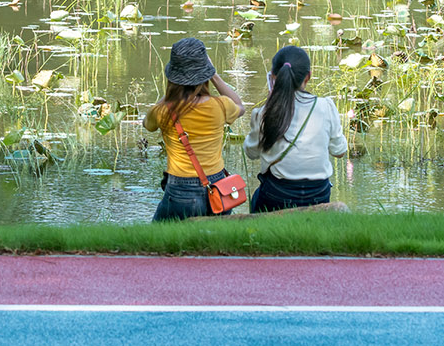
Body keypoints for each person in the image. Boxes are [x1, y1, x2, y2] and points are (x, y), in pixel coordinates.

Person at [143, 37, 246, 221]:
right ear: (205, 75)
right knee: (213, 241)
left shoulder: (163, 111)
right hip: (217, 187)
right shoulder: (220, 106)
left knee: (160, 240)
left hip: (179, 189)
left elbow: (147, 124)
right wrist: (214, 75)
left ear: (173, 77)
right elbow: (240, 106)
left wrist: (170, 93)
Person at [244, 45, 350, 213]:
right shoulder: (326, 106)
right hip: (318, 195)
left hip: (276, 196)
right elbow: (340, 151)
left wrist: (268, 106)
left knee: (257, 197)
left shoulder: (263, 113)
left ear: (273, 77)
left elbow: (251, 153)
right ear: (308, 77)